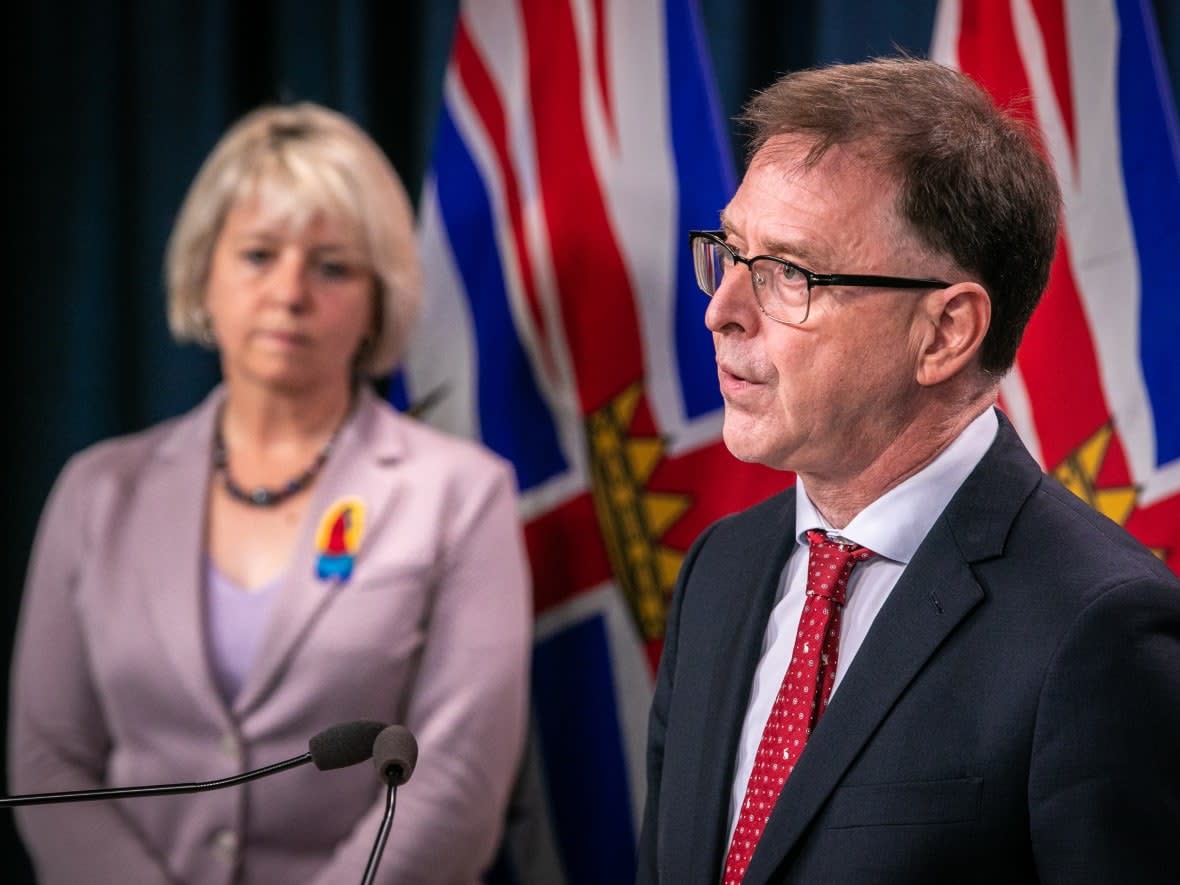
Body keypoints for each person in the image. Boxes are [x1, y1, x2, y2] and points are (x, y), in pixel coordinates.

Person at [636, 57, 1180, 884]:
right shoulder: (720, 568)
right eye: (731, 251)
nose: (722, 311)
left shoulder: (1097, 628)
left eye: (788, 273)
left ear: (946, 333)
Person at [8, 102, 531, 885]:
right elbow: (49, 762)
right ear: (203, 276)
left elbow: (455, 785)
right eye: (258, 253)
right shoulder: (97, 490)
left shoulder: (461, 495)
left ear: (376, 301)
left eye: (331, 266)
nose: (290, 291)